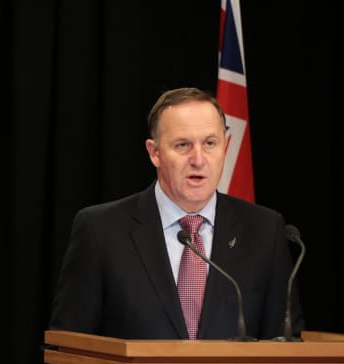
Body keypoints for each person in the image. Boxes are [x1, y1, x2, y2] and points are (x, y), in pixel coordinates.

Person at [50, 87, 303, 340]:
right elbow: (69, 349)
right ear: (154, 153)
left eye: (210, 143)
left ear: (225, 147)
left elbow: (286, 346)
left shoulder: (264, 231)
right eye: (183, 145)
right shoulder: (100, 231)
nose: (198, 159)